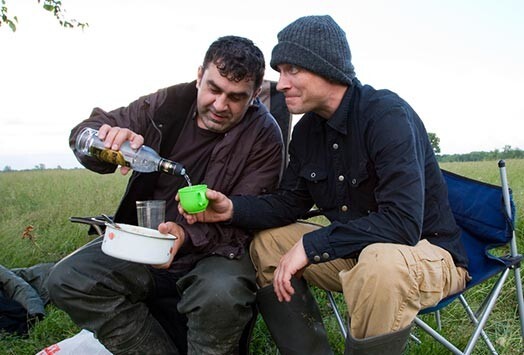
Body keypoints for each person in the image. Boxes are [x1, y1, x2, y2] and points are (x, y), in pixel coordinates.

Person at [181, 16, 470, 355]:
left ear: (325, 67)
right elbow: (290, 202)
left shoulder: (385, 115)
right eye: (280, 71)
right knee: (269, 244)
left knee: (381, 262)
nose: (281, 83)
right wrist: (232, 208)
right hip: (358, 253)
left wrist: (313, 244)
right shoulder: (306, 133)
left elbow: (403, 224)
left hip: (426, 254)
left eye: (291, 70)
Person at [46, 35, 284, 355]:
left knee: (221, 293)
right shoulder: (166, 104)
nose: (220, 105)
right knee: (69, 277)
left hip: (216, 250)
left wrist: (185, 235)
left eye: (236, 97)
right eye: (213, 89)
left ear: (255, 95)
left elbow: (248, 213)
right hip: (148, 242)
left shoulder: (265, 136)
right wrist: (102, 141)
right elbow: (85, 132)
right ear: (200, 75)